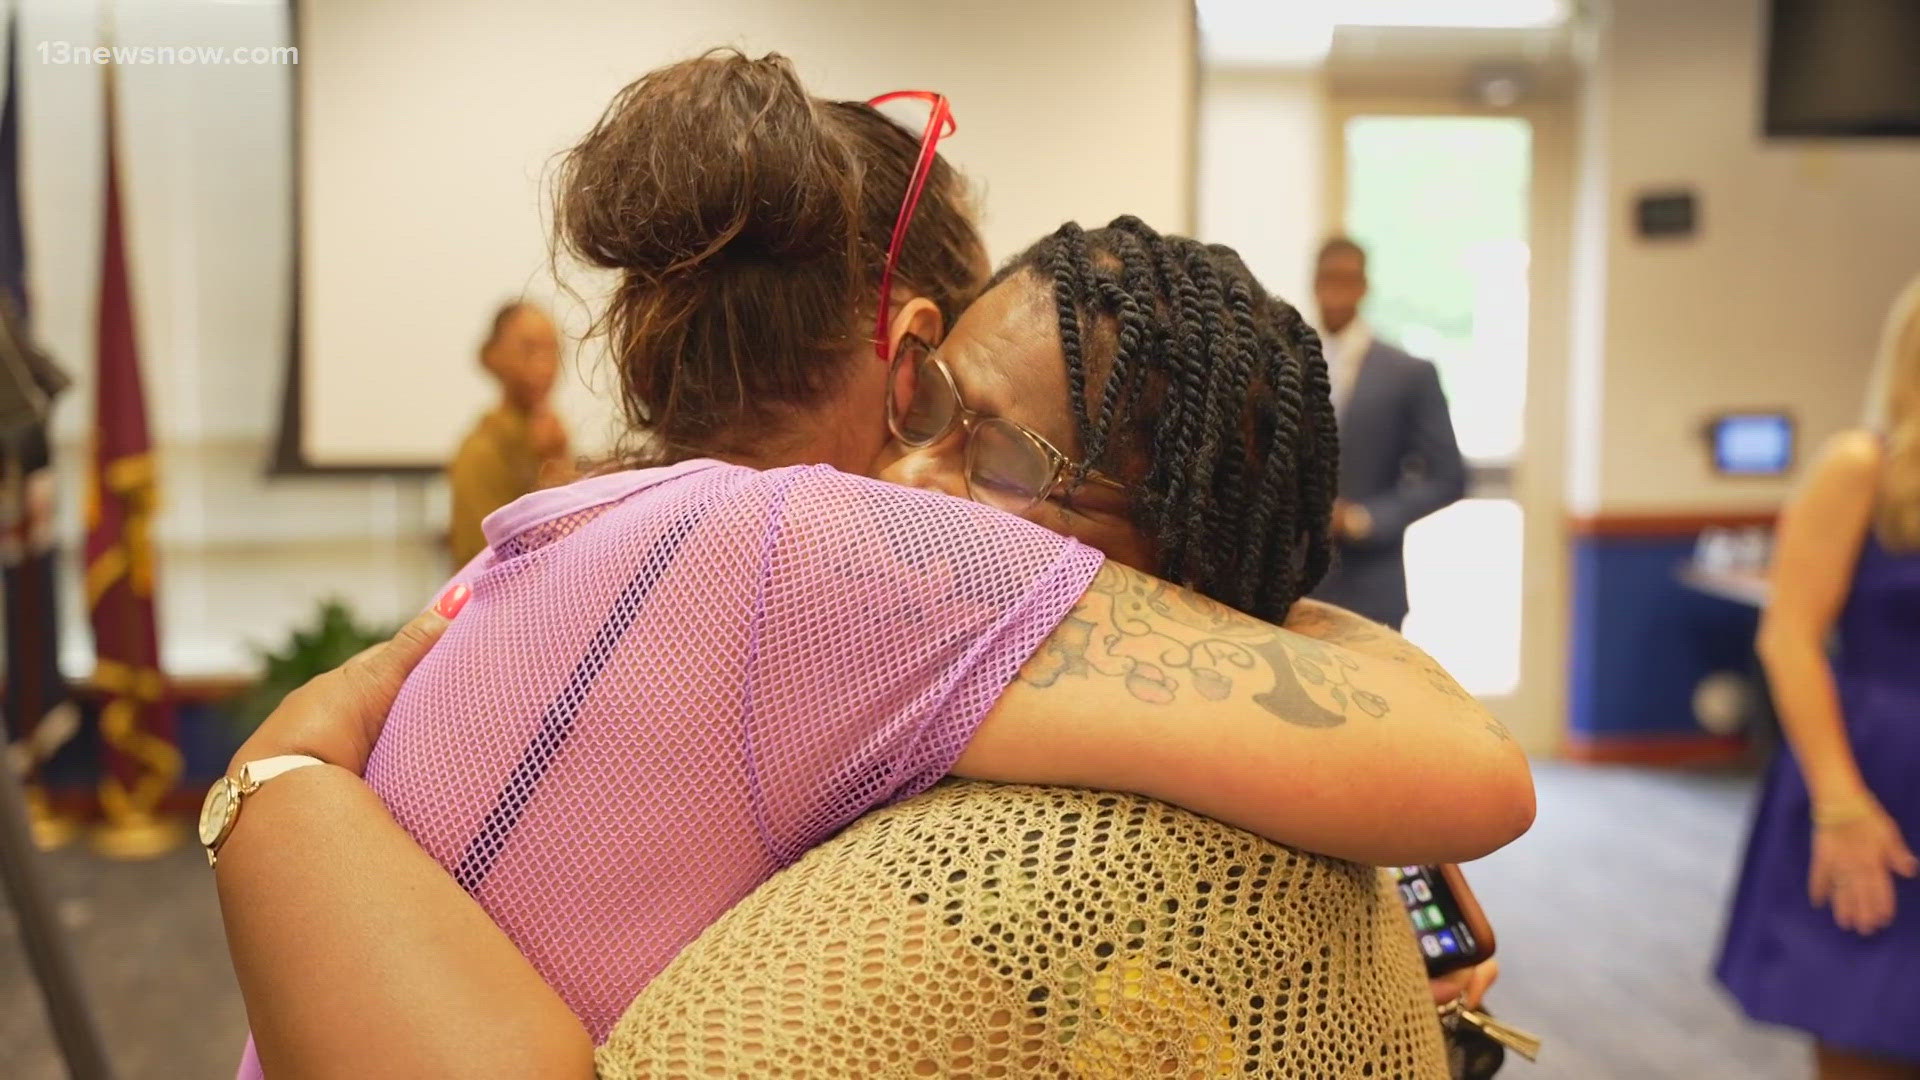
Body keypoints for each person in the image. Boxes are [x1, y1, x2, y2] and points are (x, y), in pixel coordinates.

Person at [213, 52, 1530, 1077]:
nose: (926, 480)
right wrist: (1230, 603)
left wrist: (277, 781)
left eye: (989, 449)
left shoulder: (586, 534)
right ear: (902, 348)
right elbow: (1467, 767)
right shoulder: (829, 547)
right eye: (937, 408)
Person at [1717, 275, 1920, 1080]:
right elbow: (1790, 639)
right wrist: (1840, 802)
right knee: (1867, 1018)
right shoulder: (1861, 468)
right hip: (1875, 774)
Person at [1308, 236, 1466, 630]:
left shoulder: (1407, 373)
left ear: (1364, 286)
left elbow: (1449, 477)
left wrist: (1365, 519)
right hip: (1294, 584)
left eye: (1348, 278)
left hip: (1370, 581)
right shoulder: (1288, 362)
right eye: (1328, 277)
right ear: (1314, 282)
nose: (1337, 288)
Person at [447, 300, 571, 564]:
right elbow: (484, 561)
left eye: (553, 350)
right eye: (529, 349)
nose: (545, 364)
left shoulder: (552, 438)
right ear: (492, 356)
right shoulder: (480, 452)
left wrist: (557, 462)